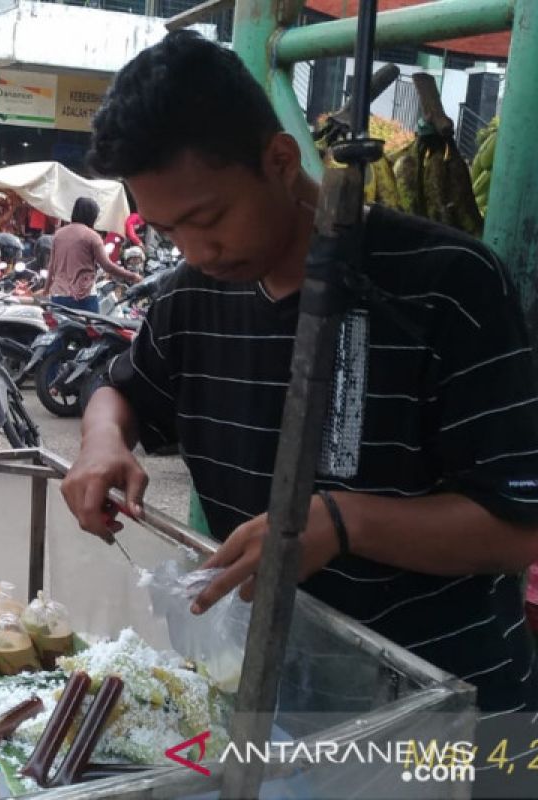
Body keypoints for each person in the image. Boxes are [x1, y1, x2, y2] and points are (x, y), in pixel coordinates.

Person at [61, 30, 538, 717]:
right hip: (274, 696)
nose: (196, 250)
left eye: (209, 218)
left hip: (444, 707)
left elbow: (518, 525)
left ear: (280, 160)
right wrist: (102, 441)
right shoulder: (190, 296)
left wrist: (342, 523)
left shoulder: (450, 285)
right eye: (168, 233)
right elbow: (119, 388)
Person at [45, 197, 137, 312]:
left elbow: (52, 266)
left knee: (59, 329)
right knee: (91, 329)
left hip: (58, 296)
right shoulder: (92, 236)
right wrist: (133, 276)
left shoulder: (58, 234)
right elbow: (107, 266)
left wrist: (46, 290)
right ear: (91, 216)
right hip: (83, 297)